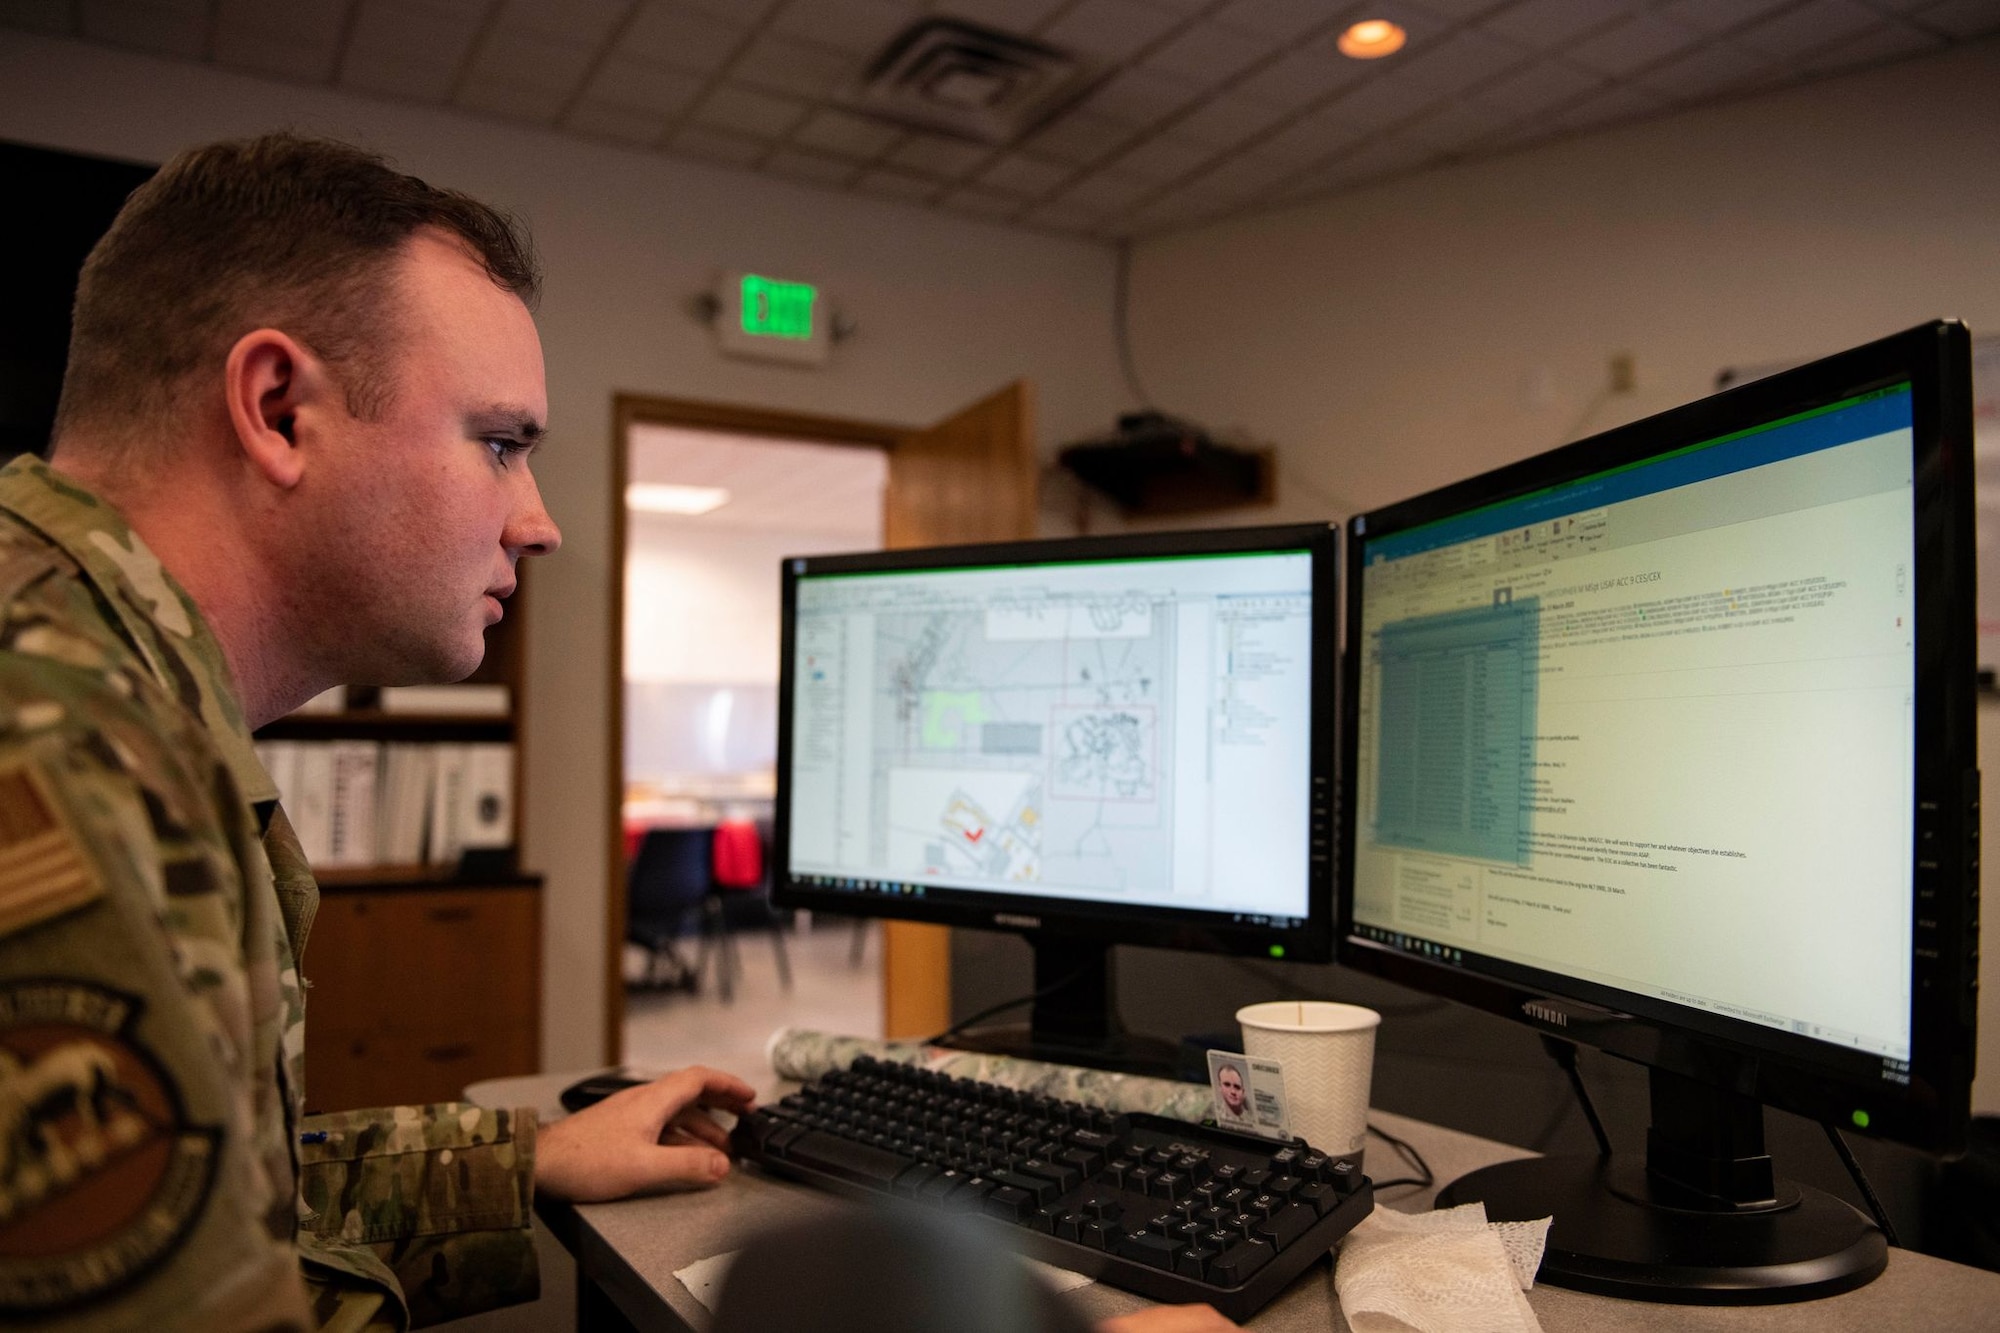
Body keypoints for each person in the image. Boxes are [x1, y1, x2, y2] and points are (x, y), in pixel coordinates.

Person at [0, 133, 1232, 1332]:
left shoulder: (98, 679)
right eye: (498, 444)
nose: (536, 523)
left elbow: (235, 1207)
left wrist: (523, 1153)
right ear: (278, 408)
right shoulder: (75, 752)